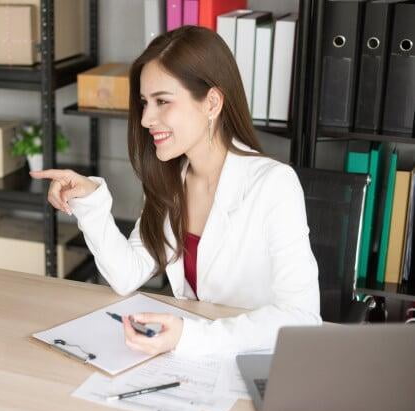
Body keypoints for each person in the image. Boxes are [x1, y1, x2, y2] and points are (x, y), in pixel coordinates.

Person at [30, 26, 321, 357]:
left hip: (258, 361)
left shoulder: (274, 185)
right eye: (144, 103)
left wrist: (190, 337)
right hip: (193, 361)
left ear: (211, 102)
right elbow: (127, 275)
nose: (145, 119)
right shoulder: (170, 180)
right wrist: (90, 200)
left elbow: (302, 318)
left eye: (162, 102)